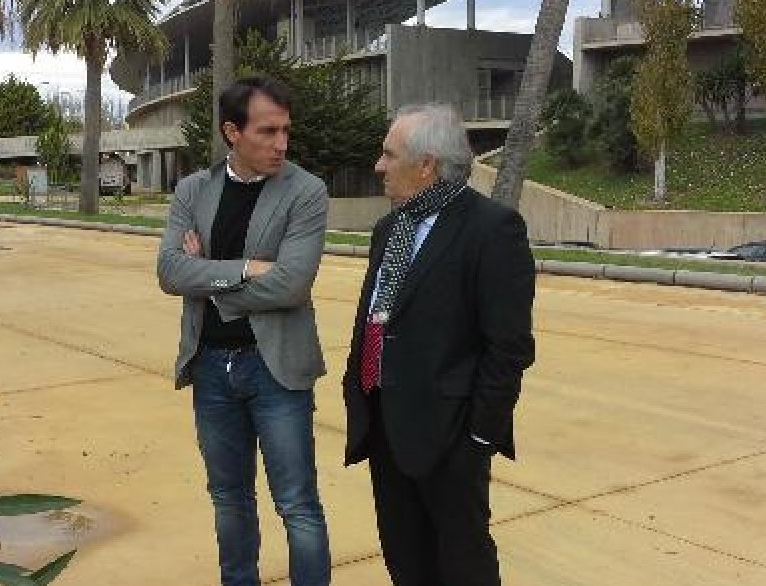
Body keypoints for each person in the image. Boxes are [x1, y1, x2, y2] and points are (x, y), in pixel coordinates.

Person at [342, 103, 536, 586]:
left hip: (451, 438)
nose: (378, 166)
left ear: (426, 164)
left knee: (462, 565)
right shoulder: (391, 228)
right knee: (406, 561)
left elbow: (508, 349)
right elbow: (377, 319)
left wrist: (478, 439)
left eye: (389, 155)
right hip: (385, 425)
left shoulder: (491, 230)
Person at [157, 77, 332, 586]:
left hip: (275, 368)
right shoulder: (193, 189)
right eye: (267, 131)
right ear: (232, 132)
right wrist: (246, 269)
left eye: (285, 131)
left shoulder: (306, 191)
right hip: (210, 367)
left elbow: (292, 284)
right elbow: (169, 271)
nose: (281, 144)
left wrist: (207, 275)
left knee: (297, 503)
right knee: (229, 498)